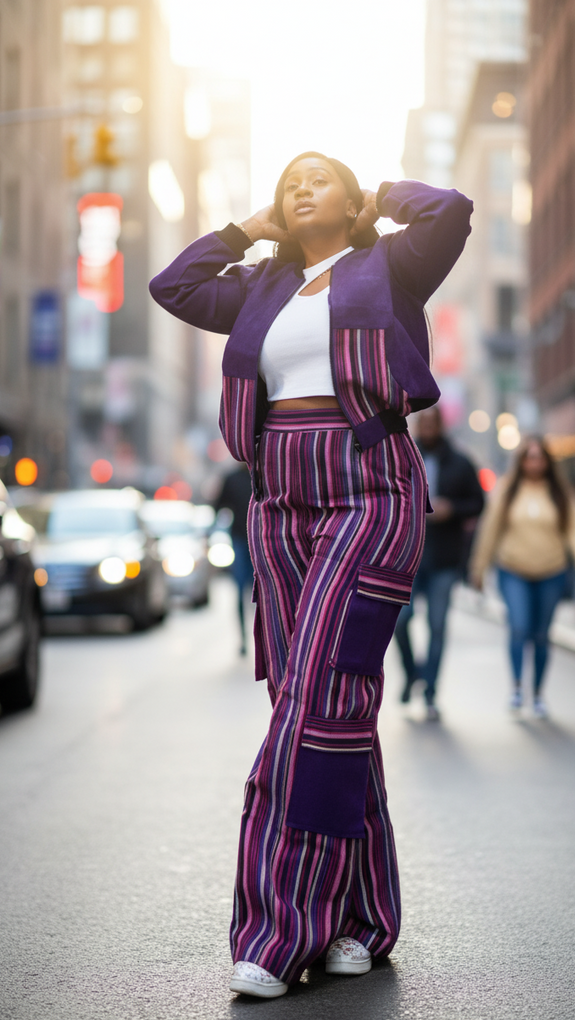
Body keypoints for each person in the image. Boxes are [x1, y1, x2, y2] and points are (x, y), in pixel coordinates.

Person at [150, 151, 473, 998]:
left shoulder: (392, 264)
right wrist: (246, 230)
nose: (300, 186)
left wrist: (380, 197)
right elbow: (173, 287)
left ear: (351, 197)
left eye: (319, 176)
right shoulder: (261, 287)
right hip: (279, 502)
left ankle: (279, 927)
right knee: (328, 704)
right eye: (289, 179)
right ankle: (364, 916)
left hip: (369, 490)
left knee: (317, 695)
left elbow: (449, 210)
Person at [470, 435, 575, 717]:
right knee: (518, 626)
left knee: (541, 635)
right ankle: (517, 687)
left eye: (539, 457)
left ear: (548, 462)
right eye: (529, 457)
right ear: (521, 461)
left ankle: (538, 693)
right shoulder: (508, 491)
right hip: (513, 570)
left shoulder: (561, 494)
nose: (534, 463)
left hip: (551, 572)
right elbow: (489, 530)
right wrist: (479, 568)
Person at [395, 406, 484, 719]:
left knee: (437, 626)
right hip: (409, 557)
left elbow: (478, 502)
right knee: (400, 621)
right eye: (424, 424)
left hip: (445, 559)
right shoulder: (403, 459)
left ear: (441, 426)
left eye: (434, 424)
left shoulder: (460, 462)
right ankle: (412, 674)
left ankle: (430, 691)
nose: (428, 429)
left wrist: (453, 509)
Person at [214, 464, 254, 655]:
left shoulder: (261, 473)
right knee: (242, 591)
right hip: (243, 539)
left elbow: (219, 506)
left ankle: (257, 637)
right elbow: (219, 505)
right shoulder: (234, 478)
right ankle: (245, 638)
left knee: (257, 592)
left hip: (257, 539)